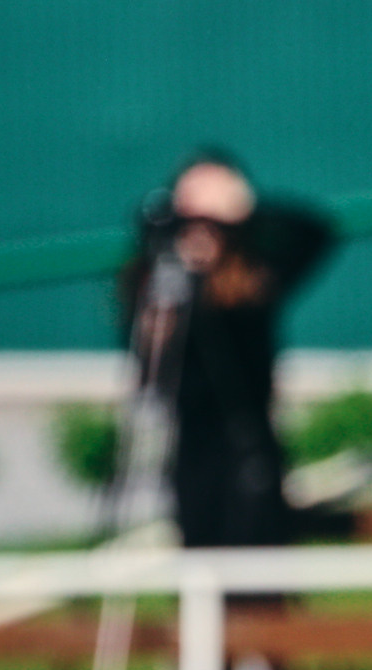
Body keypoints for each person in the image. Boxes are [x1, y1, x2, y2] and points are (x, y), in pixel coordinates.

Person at [115, 153, 336, 549]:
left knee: (259, 555)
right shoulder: (161, 280)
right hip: (191, 445)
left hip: (250, 442)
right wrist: (175, 249)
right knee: (201, 554)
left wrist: (234, 214)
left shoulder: (253, 279)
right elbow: (145, 354)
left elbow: (315, 231)